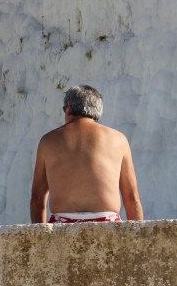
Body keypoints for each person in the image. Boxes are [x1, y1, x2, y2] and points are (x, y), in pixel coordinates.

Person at [30, 85, 144, 223]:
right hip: (107, 223)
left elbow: (37, 199)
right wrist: (137, 241)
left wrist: (41, 240)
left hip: (63, 224)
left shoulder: (48, 141)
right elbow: (132, 199)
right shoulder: (118, 139)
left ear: (68, 108)